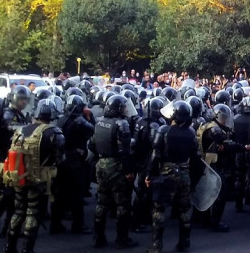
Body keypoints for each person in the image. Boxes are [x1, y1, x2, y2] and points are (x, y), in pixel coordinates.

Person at [4, 99, 65, 253]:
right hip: (39, 180)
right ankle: (27, 250)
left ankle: (9, 248)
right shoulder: (54, 132)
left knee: (18, 212)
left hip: (18, 176)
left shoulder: (21, 130)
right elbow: (59, 159)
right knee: (33, 213)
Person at [145, 101, 201, 253]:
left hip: (166, 174)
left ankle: (157, 246)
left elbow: (155, 155)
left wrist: (149, 174)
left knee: (159, 210)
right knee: (184, 209)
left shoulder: (164, 130)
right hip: (184, 173)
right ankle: (184, 242)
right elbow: (196, 157)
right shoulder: (190, 132)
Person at [89, 95, 138, 249]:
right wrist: (129, 170)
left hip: (101, 164)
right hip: (117, 166)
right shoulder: (121, 124)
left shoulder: (99, 122)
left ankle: (98, 237)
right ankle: (122, 239)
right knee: (122, 203)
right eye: (122, 106)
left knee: (102, 201)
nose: (125, 109)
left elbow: (91, 144)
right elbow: (126, 151)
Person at [0, 86, 31, 240]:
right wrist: (33, 130)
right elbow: (15, 129)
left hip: (14, 159)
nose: (23, 102)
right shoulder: (8, 114)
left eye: (25, 99)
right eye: (21, 99)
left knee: (12, 196)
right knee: (4, 194)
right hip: (3, 159)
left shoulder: (19, 114)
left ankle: (9, 227)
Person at [199, 104, 248, 233]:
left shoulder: (208, 125)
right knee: (220, 191)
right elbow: (226, 144)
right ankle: (215, 222)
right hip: (211, 164)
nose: (225, 120)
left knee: (206, 192)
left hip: (205, 164)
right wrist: (244, 147)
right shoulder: (215, 130)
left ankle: (204, 219)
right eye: (223, 117)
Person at [50, 94, 94, 235]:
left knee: (59, 193)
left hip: (61, 160)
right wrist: (89, 116)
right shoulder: (79, 121)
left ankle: (55, 224)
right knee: (77, 194)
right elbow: (92, 129)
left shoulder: (61, 119)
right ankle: (78, 225)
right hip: (74, 161)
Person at [131, 97, 166, 233]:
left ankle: (143, 217)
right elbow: (155, 145)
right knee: (144, 191)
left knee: (144, 190)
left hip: (141, 160)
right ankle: (137, 221)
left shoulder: (140, 121)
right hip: (148, 160)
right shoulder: (153, 125)